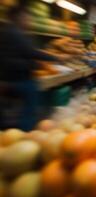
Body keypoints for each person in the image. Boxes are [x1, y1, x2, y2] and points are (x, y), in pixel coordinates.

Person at [0, 3, 57, 131]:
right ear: (19, 16)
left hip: (9, 79)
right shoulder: (16, 33)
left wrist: (35, 64)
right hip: (19, 80)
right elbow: (30, 52)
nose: (29, 20)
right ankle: (26, 132)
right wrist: (54, 58)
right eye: (27, 17)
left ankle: (13, 132)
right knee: (30, 107)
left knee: (11, 111)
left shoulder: (7, 31)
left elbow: (19, 55)